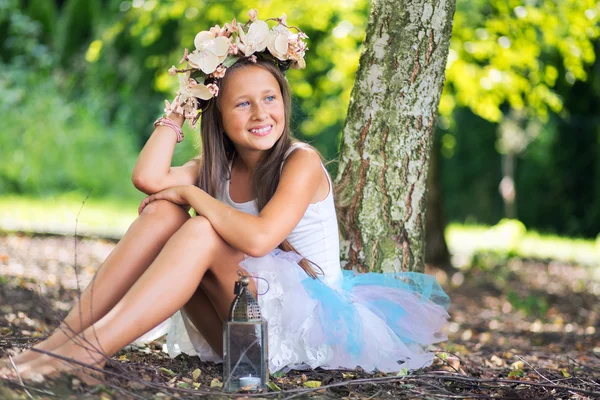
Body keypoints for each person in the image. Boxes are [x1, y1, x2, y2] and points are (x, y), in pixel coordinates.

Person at [1, 10, 449, 383]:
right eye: (242, 104)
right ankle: (56, 348)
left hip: (303, 325)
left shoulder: (301, 162)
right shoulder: (218, 165)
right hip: (235, 325)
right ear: (217, 114)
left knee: (197, 225)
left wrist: (191, 193)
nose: (261, 114)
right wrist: (181, 106)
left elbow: (257, 241)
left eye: (270, 98)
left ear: (284, 103)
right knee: (163, 213)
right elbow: (147, 177)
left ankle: (87, 352)